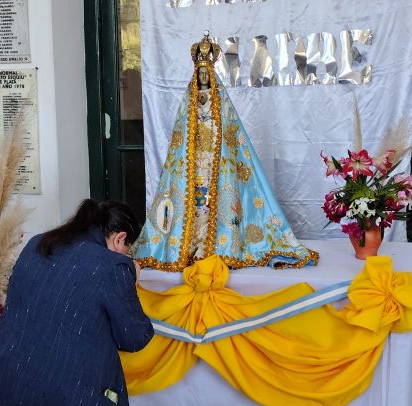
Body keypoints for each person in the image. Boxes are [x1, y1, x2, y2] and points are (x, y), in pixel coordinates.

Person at [0, 199, 155, 406]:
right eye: (129, 249)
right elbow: (134, 338)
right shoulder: (113, 266)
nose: (128, 255)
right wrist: (131, 281)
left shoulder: (37, 243)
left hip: (3, 399)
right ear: (119, 238)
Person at [132, 33, 318, 271]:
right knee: (195, 201)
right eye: (199, 75)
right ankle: (191, 243)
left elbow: (231, 135)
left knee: (216, 200)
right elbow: (182, 134)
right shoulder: (189, 101)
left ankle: (217, 245)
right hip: (194, 161)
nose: (202, 79)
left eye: (205, 75)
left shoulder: (221, 103)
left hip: (215, 162)